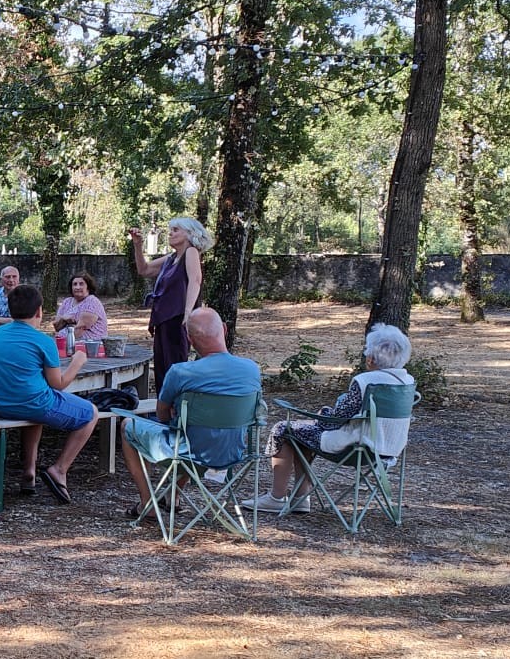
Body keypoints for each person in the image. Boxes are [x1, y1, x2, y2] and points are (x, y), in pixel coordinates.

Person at [250, 322, 415, 515]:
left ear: (371, 358)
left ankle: (277, 497)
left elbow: (334, 421)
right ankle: (300, 497)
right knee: (303, 433)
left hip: (356, 447)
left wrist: (323, 413)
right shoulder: (408, 382)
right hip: (390, 447)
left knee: (283, 429)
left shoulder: (366, 382)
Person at [120, 307, 262, 519]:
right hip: (233, 451)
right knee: (193, 432)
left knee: (128, 426)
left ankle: (147, 503)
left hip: (189, 452)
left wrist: (174, 415)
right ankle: (173, 494)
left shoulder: (180, 372)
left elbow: (163, 415)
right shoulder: (251, 369)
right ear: (224, 329)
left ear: (189, 339)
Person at [0, 283, 98, 503]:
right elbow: (58, 384)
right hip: (34, 403)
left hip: (2, 403)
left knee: (35, 410)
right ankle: (60, 469)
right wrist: (77, 362)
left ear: (10, 310)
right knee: (91, 413)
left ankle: (29, 471)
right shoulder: (44, 341)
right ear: (39, 311)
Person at [130, 216, 209, 389]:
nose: (171, 234)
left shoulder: (191, 252)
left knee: (174, 368)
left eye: (176, 230)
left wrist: (189, 313)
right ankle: (163, 411)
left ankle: (176, 411)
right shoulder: (171, 258)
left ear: (189, 234)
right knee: (161, 369)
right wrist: (137, 244)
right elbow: (144, 270)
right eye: (170, 230)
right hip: (164, 320)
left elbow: (195, 280)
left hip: (179, 319)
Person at [52, 273, 108, 340]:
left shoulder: (92, 302)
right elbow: (57, 327)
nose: (77, 287)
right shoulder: (67, 302)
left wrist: (61, 338)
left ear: (88, 287)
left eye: (81, 284)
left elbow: (79, 331)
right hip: (66, 341)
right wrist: (63, 319)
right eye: (75, 284)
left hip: (89, 344)